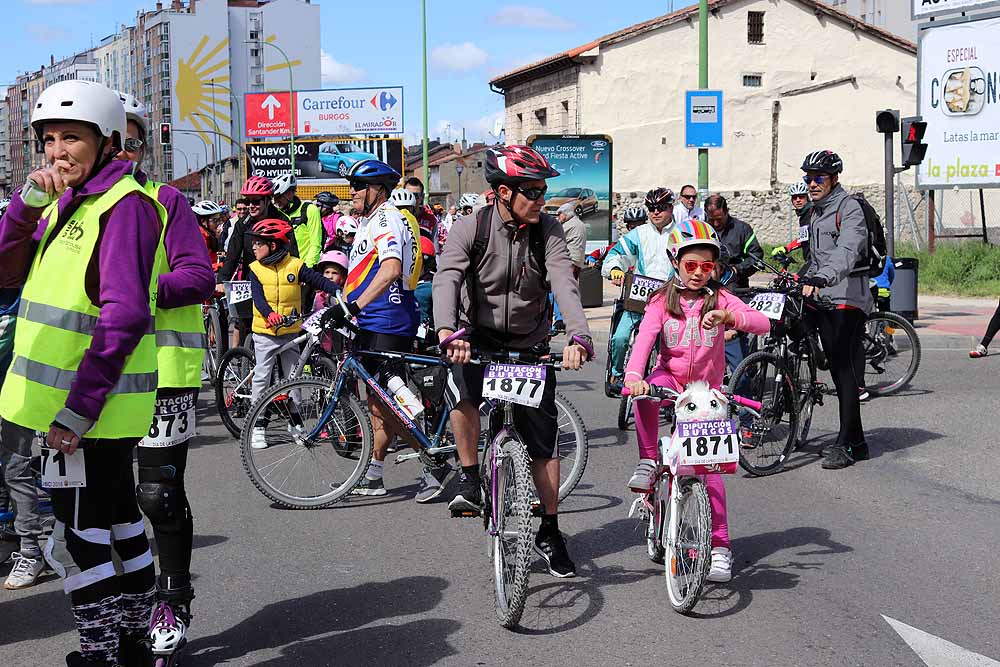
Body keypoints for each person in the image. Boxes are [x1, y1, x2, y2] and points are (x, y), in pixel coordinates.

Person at [0, 79, 165, 667]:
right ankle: (133, 644)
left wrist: (76, 410)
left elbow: (124, 316)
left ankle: (102, 651)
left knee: (83, 534)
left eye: (72, 137)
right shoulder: (74, 204)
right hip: (74, 408)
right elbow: (4, 273)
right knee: (117, 521)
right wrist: (25, 207)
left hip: (83, 412)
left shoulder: (123, 208)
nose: (57, 152)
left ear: (110, 142)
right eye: (48, 140)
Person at [434, 144, 595, 577]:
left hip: (529, 343)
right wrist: (448, 331)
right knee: (462, 393)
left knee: (544, 444)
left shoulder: (549, 231)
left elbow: (563, 282)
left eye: (544, 192)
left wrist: (579, 334)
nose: (542, 200)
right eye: (533, 192)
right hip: (475, 338)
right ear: (504, 192)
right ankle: (470, 476)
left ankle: (549, 528)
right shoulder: (472, 228)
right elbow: (447, 277)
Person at [116, 90, 216, 665]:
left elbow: (198, 277)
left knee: (157, 494)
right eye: (115, 135)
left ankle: (172, 599)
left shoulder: (166, 200)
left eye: (133, 135)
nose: (125, 146)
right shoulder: (69, 207)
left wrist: (140, 289)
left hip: (163, 372)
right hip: (89, 378)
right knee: (102, 503)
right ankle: (117, 607)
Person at [625, 219, 770, 582]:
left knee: (712, 473)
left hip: (706, 392)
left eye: (708, 266)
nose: (699, 273)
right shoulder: (661, 300)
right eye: (691, 265)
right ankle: (647, 461)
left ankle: (720, 547)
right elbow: (644, 340)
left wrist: (730, 315)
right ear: (675, 262)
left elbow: (762, 322)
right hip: (669, 379)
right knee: (646, 396)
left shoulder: (720, 297)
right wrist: (633, 376)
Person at [335, 159, 423, 497]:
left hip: (386, 318)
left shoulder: (386, 218)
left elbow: (390, 270)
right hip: (371, 319)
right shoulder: (370, 221)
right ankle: (373, 474)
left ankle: (433, 465)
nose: (352, 191)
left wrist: (353, 306)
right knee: (377, 404)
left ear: (378, 189)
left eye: (358, 185)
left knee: (391, 402)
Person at [796, 150, 872, 469]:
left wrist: (821, 277)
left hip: (848, 298)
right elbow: (816, 257)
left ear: (834, 179)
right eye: (808, 178)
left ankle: (848, 444)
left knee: (843, 370)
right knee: (796, 325)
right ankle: (857, 441)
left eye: (818, 178)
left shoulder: (848, 208)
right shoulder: (814, 212)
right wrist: (798, 276)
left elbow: (846, 250)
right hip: (824, 294)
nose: (812, 184)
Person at [246, 219, 341, 450]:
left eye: (259, 243)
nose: (254, 247)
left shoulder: (295, 265)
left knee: (293, 379)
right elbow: (258, 299)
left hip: (290, 332)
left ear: (275, 245)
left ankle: (295, 423)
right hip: (265, 332)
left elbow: (317, 279)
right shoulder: (255, 269)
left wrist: (337, 290)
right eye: (254, 243)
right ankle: (257, 424)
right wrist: (269, 315)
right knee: (262, 377)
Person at [601, 189, 678, 395]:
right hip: (638, 299)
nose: (655, 212)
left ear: (671, 208)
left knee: (667, 348)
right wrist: (616, 269)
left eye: (661, 208)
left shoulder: (682, 232)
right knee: (620, 338)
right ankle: (617, 374)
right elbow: (616, 254)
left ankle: (668, 385)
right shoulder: (639, 233)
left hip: (669, 301)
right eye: (651, 208)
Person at [217, 176, 296, 347]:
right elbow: (232, 255)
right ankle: (248, 364)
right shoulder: (242, 224)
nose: (250, 206)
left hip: (278, 283)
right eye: (248, 201)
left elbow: (293, 256)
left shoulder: (283, 221)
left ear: (268, 200)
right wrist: (221, 280)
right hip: (252, 281)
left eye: (256, 201)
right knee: (247, 325)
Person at [704, 194, 764, 378]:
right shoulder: (703, 228)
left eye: (719, 219)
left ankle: (743, 375)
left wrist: (739, 269)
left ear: (727, 212)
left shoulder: (742, 229)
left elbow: (756, 256)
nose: (715, 224)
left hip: (736, 290)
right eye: (711, 219)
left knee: (737, 339)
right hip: (707, 290)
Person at [272, 173, 322, 268]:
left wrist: (307, 269)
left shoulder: (309, 210)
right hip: (284, 269)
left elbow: (315, 244)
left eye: (278, 197)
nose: (275, 201)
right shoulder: (278, 214)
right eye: (274, 198)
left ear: (289, 193)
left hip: (304, 268)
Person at [551, 201, 587, 332]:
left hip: (568, 261)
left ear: (566, 214)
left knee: (556, 289)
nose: (558, 217)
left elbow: (553, 237)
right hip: (577, 261)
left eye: (559, 214)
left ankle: (560, 318)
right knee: (569, 290)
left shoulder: (568, 225)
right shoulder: (580, 223)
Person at [771, 181, 813, 262]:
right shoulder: (803, 215)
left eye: (801, 197)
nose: (798, 200)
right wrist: (786, 248)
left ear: (807, 198)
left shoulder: (812, 214)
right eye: (794, 197)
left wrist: (788, 248)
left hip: (816, 261)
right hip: (809, 260)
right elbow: (804, 238)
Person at [404, 176, 438, 240]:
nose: (412, 199)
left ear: (422, 197)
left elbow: (434, 248)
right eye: (408, 195)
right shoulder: (396, 216)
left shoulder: (431, 219)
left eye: (416, 195)